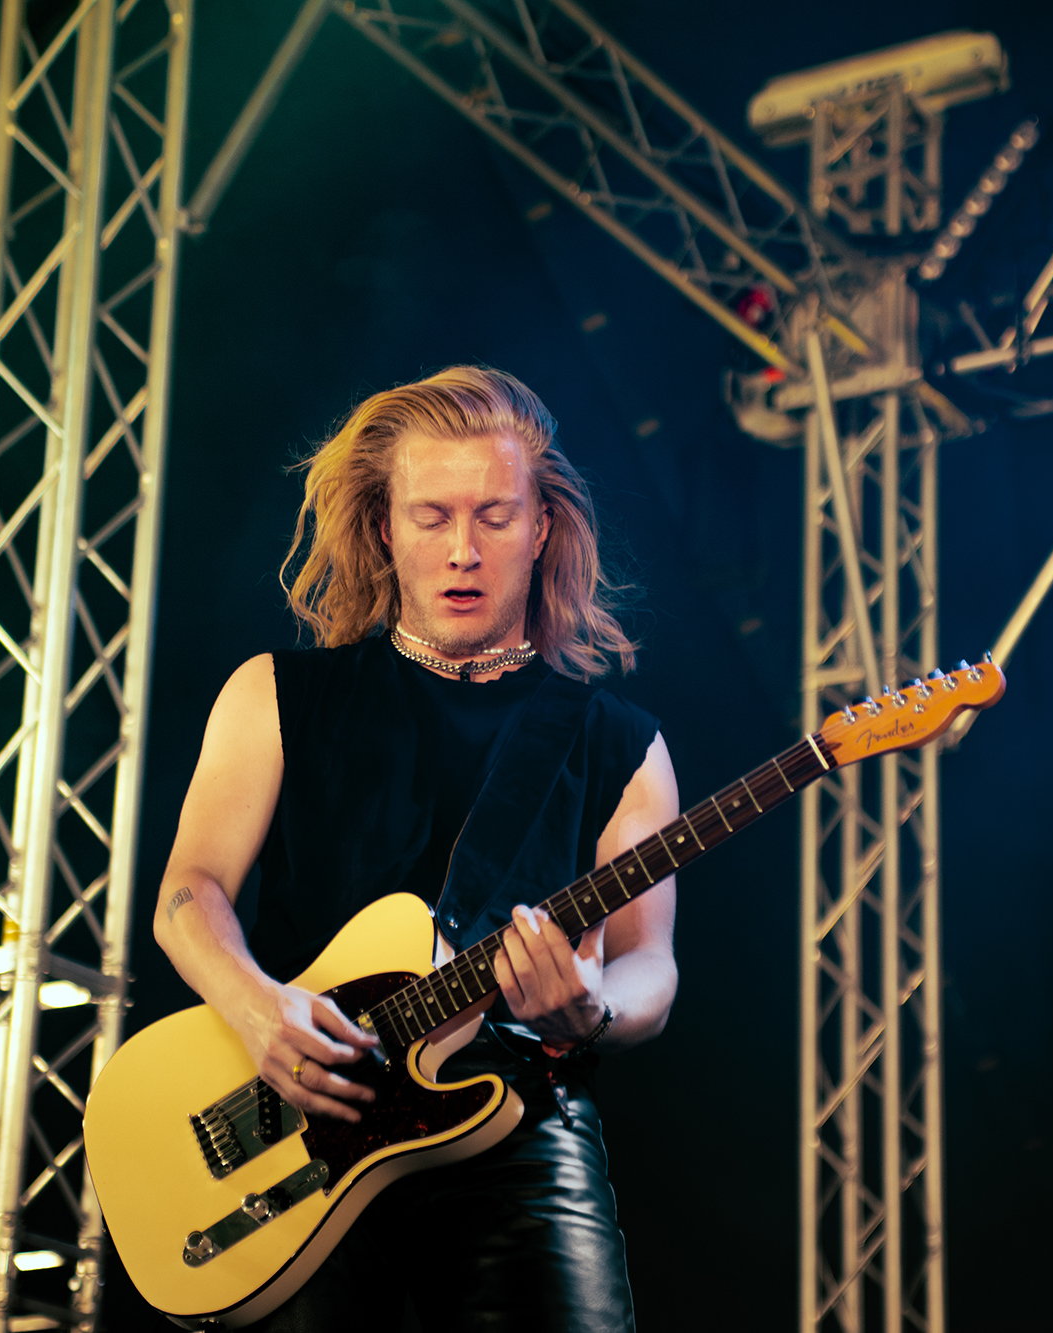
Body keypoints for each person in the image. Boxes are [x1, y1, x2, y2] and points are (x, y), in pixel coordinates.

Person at [150, 366, 679, 1332]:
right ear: (386, 528)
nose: (463, 551)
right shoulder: (277, 694)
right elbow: (189, 890)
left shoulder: (619, 742)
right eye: (432, 517)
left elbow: (652, 962)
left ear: (542, 527)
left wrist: (593, 1009)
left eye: (495, 516)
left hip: (520, 1131)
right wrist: (257, 1007)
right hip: (307, 1118)